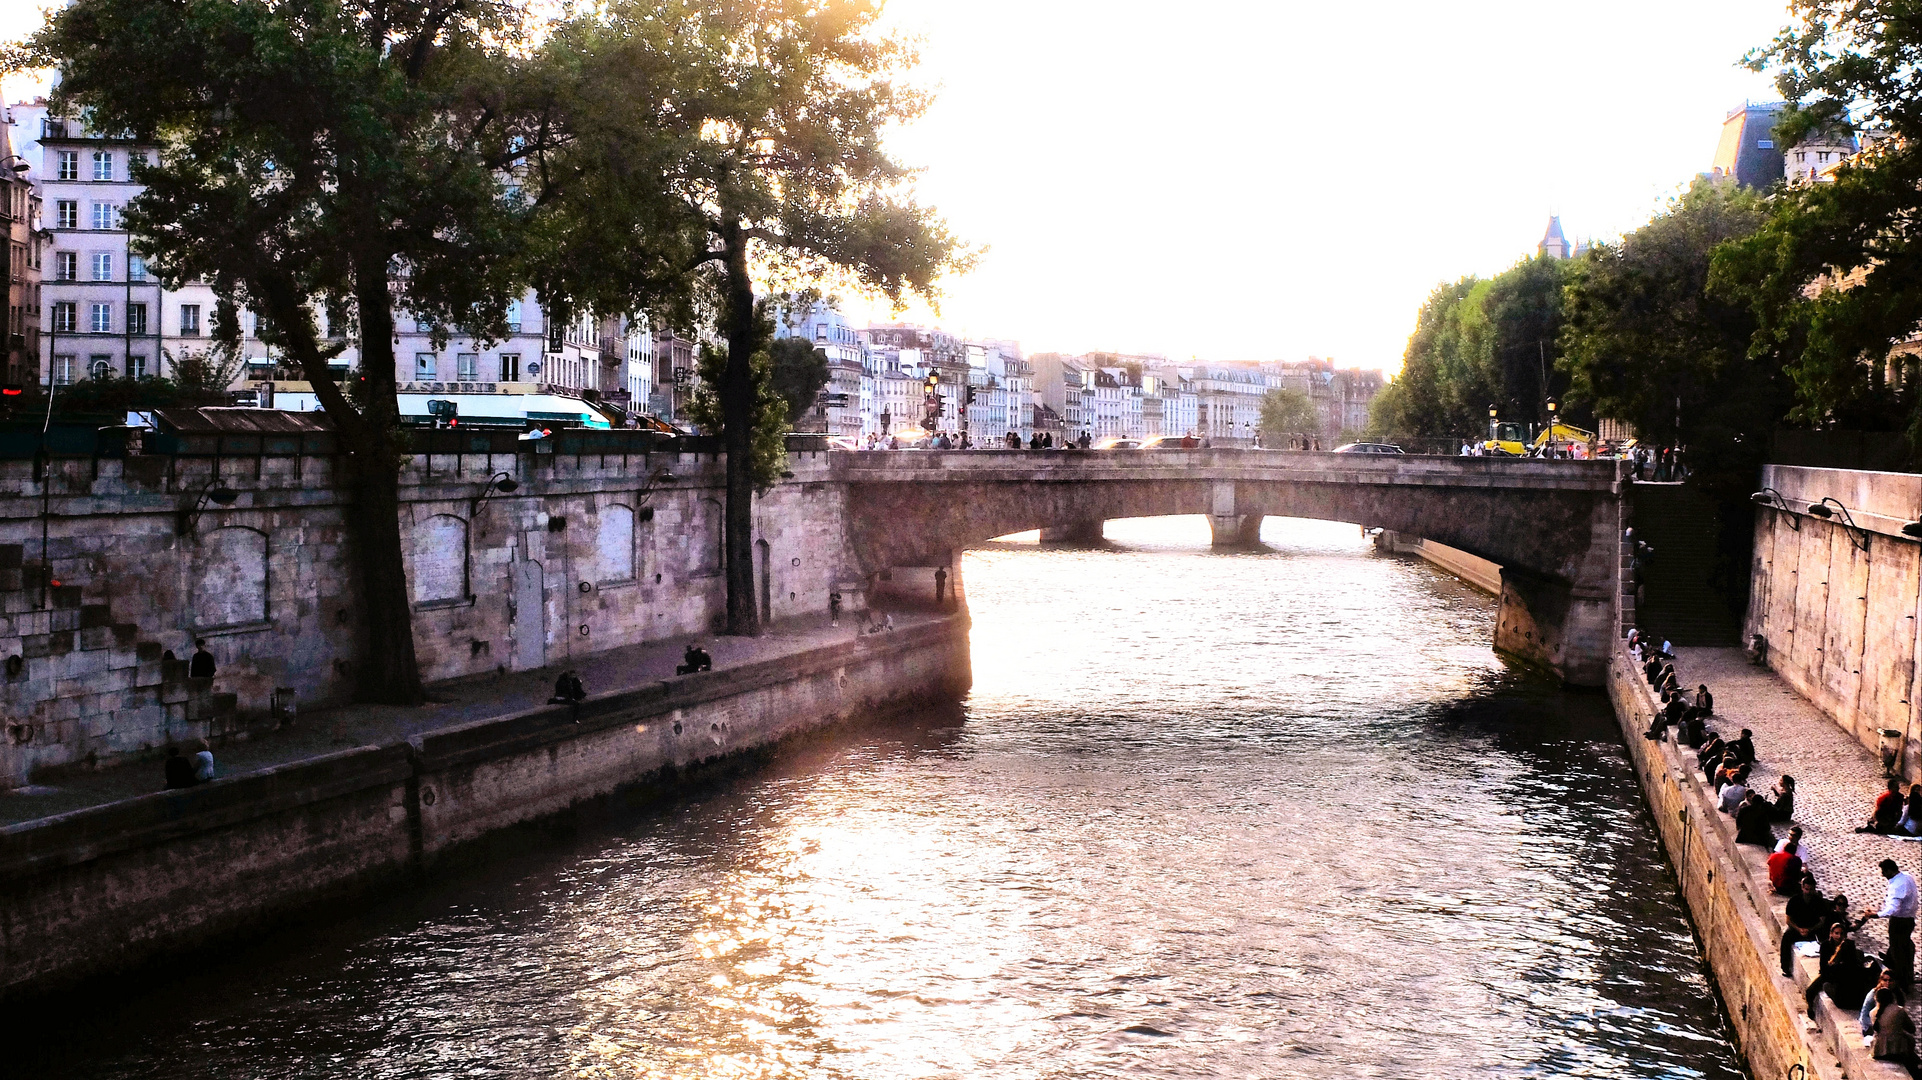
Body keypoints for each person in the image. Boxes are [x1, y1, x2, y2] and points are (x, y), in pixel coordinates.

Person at [1859, 858, 1918, 991]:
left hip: (1899, 922)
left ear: (1889, 870)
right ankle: (1904, 975)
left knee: (1899, 953)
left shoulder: (1897, 886)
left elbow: (1893, 908)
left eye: (1884, 871)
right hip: (1909, 919)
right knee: (1903, 948)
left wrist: (1876, 915)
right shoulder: (1907, 877)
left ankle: (1902, 984)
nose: (1882, 874)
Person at [1784, 873, 1825, 975]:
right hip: (1797, 929)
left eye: (1810, 889)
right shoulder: (1794, 900)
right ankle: (1785, 967)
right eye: (1806, 889)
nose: (1808, 892)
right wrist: (1799, 929)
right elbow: (1788, 920)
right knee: (1786, 938)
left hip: (1813, 930)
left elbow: (1822, 921)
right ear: (1802, 888)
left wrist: (1810, 929)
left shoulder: (1819, 902)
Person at [1872, 987, 1919, 1068]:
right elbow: (1912, 1029)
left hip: (1878, 1050)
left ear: (1876, 999)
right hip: (1896, 1050)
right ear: (1892, 997)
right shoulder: (1899, 1010)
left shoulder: (1872, 1013)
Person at [1863, 969, 1910, 1039]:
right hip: (1875, 1028)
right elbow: (1864, 1016)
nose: (1888, 983)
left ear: (1894, 981)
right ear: (1880, 981)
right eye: (1885, 980)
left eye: (1890, 980)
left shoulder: (1899, 995)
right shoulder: (1873, 994)